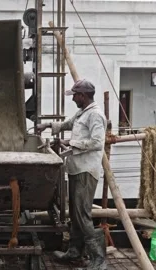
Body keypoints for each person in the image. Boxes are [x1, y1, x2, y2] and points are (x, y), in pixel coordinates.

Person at [36, 79, 107, 269]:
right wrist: (48, 125)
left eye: (75, 95)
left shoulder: (96, 115)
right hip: (76, 169)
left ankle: (98, 259)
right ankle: (75, 252)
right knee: (75, 215)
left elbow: (98, 142)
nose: (73, 98)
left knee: (83, 215)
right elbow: (69, 123)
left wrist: (71, 144)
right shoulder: (83, 112)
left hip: (86, 171)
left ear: (83, 96)